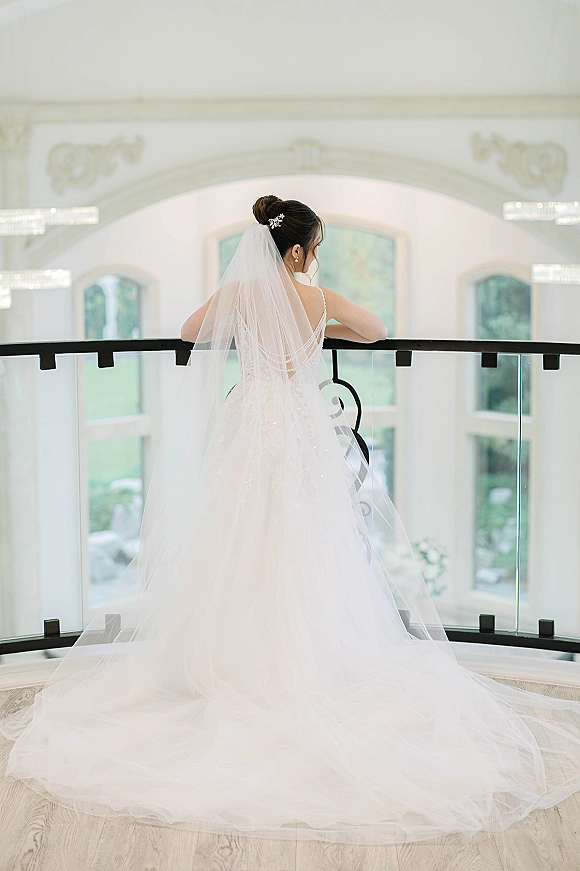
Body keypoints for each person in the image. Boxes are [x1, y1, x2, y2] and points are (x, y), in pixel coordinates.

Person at [2, 194, 580, 847]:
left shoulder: (241, 293)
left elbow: (193, 331)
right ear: (300, 250)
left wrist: (252, 321)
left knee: (239, 538)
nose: (316, 259)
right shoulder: (315, 298)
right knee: (304, 544)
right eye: (316, 248)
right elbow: (377, 329)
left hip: (250, 421)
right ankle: (304, 663)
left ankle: (228, 661)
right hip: (299, 424)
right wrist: (318, 323)